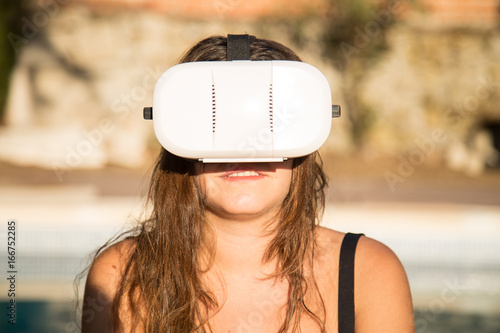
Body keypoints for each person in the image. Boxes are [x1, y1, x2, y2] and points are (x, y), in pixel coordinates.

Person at [81, 35, 414, 333]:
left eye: (269, 122)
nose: (246, 148)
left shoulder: (368, 274)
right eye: (216, 122)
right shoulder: (120, 276)